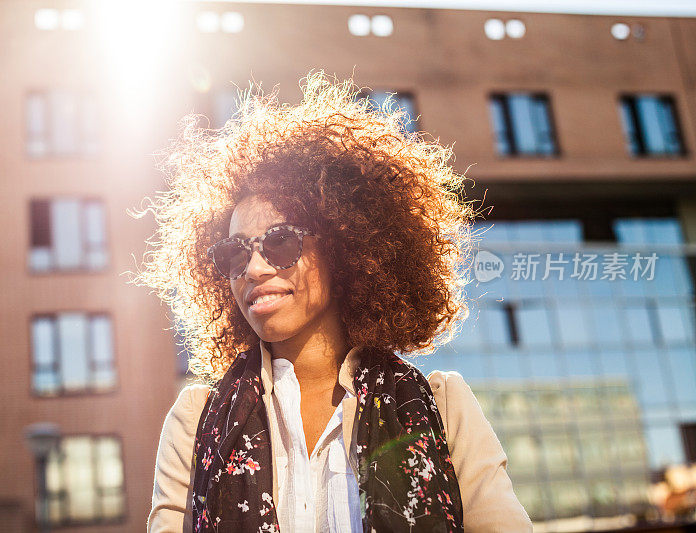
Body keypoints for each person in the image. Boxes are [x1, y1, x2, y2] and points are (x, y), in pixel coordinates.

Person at [135, 73, 532, 532]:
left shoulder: (443, 407)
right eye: (235, 252)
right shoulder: (195, 422)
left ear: (346, 246)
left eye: (280, 243)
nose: (255, 269)